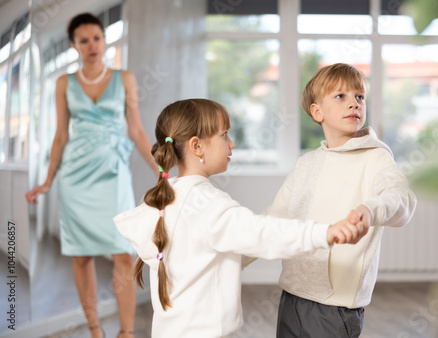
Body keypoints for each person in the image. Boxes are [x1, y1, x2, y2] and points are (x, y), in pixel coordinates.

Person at [113, 98, 370, 338]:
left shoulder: (159, 203)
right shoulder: (210, 205)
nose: (232, 143)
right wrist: (324, 233)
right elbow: (264, 233)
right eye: (224, 135)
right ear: (197, 146)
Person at [25, 13, 157, 338]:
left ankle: (126, 332)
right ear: (74, 46)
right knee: (81, 256)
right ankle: (95, 329)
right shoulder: (63, 83)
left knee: (124, 255)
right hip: (74, 179)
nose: (92, 45)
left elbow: (137, 130)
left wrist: (162, 171)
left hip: (113, 177)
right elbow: (60, 136)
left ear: (104, 39)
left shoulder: (125, 78)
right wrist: (47, 182)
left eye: (96, 38)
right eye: (84, 40)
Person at [262, 63, 418, 337]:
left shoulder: (376, 157)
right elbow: (271, 220)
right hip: (292, 296)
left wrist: (370, 210)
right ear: (317, 111)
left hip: (335, 309)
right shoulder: (306, 164)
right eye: (340, 96)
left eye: (359, 96)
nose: (354, 104)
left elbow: (401, 198)